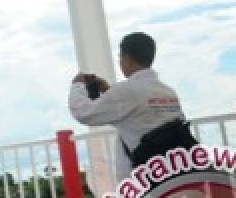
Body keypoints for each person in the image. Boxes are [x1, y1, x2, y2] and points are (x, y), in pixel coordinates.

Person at [69, 31, 190, 174]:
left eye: (120, 57)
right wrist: (109, 91)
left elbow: (84, 113)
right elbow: (139, 114)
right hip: (173, 170)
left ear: (127, 59)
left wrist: (77, 85)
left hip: (143, 178)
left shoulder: (125, 91)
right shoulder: (168, 91)